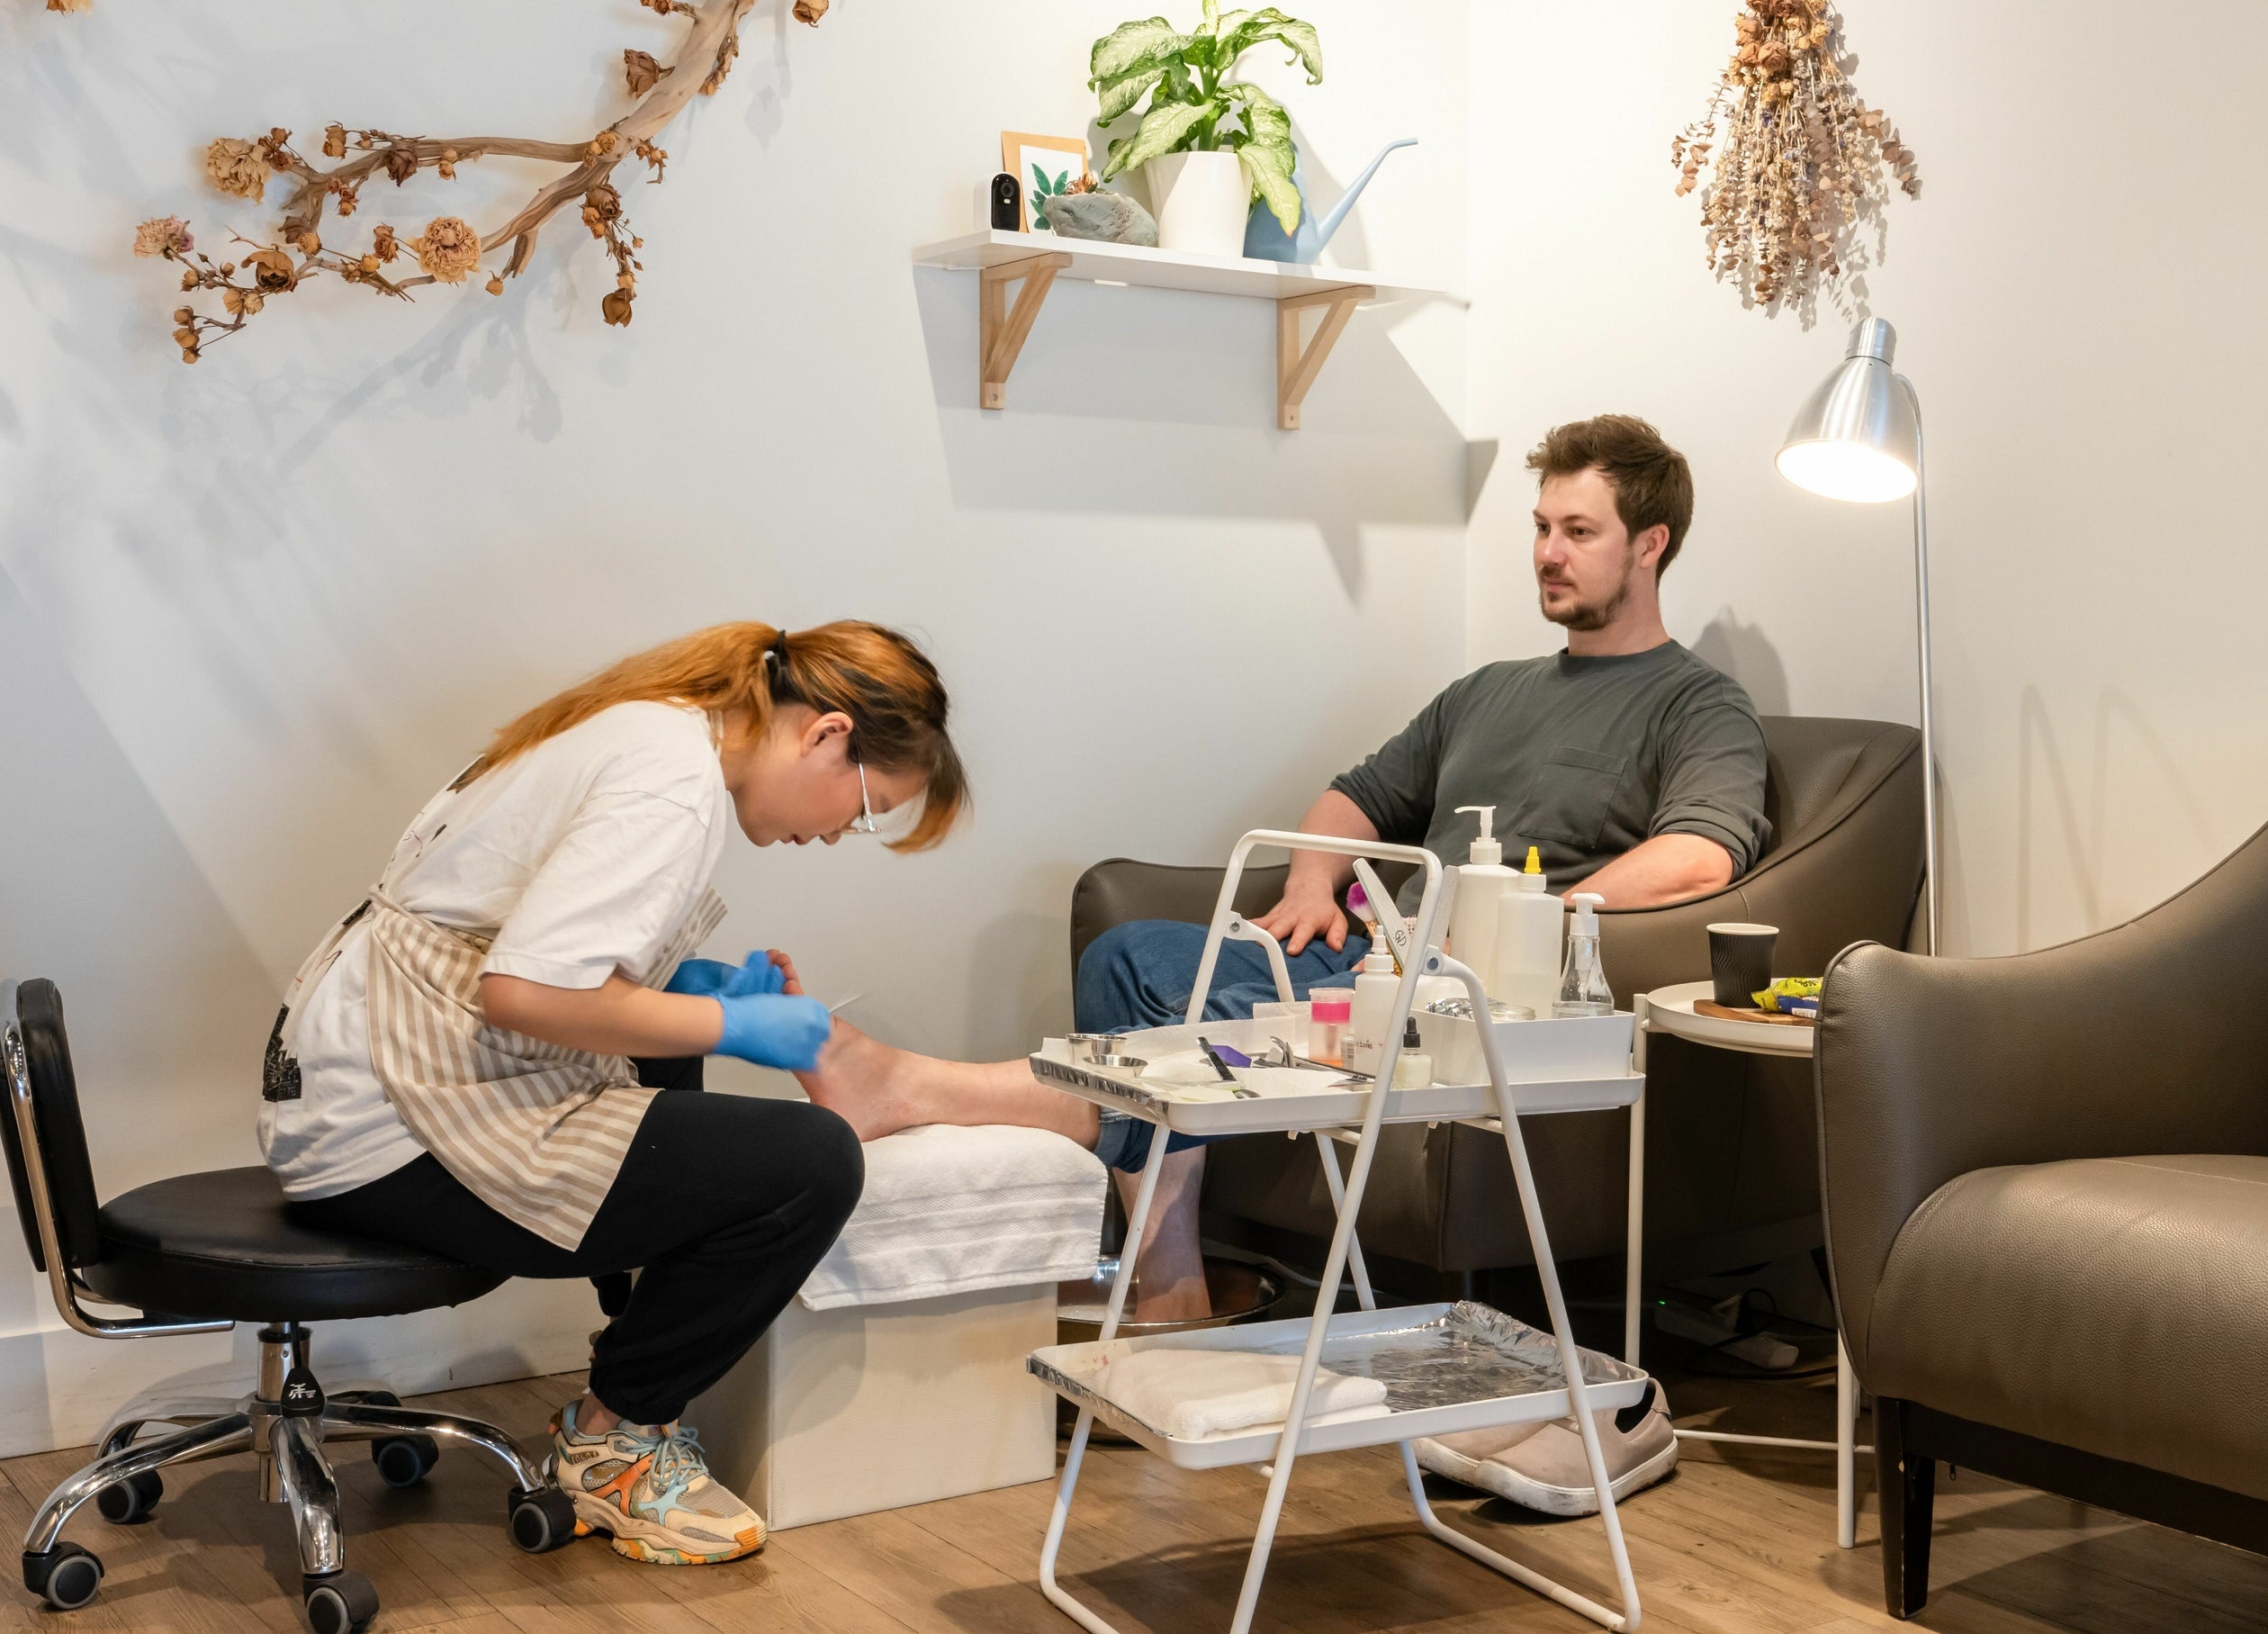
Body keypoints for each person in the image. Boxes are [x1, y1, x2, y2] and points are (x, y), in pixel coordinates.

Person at [258, 618, 1029, 1568]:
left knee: (676, 1065)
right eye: (865, 807)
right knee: (814, 1162)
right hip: (389, 1123)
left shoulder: (654, 724)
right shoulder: (670, 783)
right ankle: (612, 1439)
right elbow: (524, 992)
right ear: (827, 733)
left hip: (348, 1083)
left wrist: (696, 994)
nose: (837, 832)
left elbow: (530, 952)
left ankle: (627, 1386)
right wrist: (739, 1027)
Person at [1078, 413, 1772, 1323]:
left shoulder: (1697, 702)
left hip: (1461, 993)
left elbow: (1699, 855)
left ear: (1650, 544)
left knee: (1161, 1034)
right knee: (1127, 958)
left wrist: (1517, 918)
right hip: (1366, 958)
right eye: (1540, 527)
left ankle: (1148, 1288)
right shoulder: (1488, 690)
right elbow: (1353, 796)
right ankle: (1177, 1287)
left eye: (1578, 531)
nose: (1547, 553)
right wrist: (1309, 881)